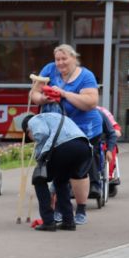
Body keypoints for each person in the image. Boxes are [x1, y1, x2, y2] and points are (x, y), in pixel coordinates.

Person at [30, 44, 100, 225]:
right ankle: (59, 210)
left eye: (64, 59)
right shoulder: (48, 70)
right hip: (56, 132)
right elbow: (34, 94)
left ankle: (81, 210)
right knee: (58, 170)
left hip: (83, 130)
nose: (60, 63)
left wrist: (64, 94)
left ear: (74, 58)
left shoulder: (85, 76)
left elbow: (91, 102)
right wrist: (43, 98)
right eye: (57, 59)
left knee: (77, 173)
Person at [21, 112, 92, 232]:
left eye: (29, 137)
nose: (32, 139)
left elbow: (41, 134)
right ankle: (68, 221)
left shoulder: (33, 120)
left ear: (28, 130)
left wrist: (40, 157)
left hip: (65, 146)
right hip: (84, 148)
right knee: (61, 181)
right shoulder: (57, 116)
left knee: (39, 179)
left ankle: (48, 221)